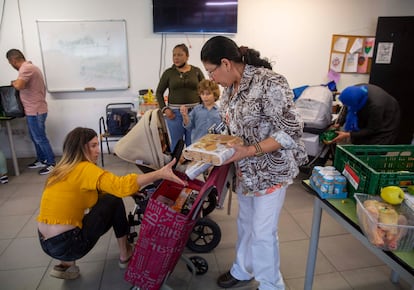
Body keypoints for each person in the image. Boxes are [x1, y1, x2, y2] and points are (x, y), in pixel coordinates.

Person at [200, 36, 308, 290]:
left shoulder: (269, 82)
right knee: (246, 225)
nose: (211, 79)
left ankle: (272, 285)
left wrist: (249, 150)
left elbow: (291, 131)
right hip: (245, 173)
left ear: (225, 63)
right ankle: (243, 269)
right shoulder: (230, 89)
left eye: (211, 71)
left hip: (271, 171)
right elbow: (230, 123)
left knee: (262, 232)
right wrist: (206, 143)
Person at [37, 127, 186, 280]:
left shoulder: (59, 170)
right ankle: (125, 253)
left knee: (90, 204)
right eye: (93, 145)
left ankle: (66, 265)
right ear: (81, 147)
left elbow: (99, 190)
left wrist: (130, 191)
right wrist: (159, 173)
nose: (98, 150)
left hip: (45, 242)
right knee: (113, 200)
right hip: (70, 244)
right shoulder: (85, 169)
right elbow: (119, 187)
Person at [6, 49, 56, 175]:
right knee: (35, 138)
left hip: (36, 111)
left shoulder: (26, 68)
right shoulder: (30, 67)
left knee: (40, 138)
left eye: (10, 62)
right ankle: (41, 159)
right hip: (33, 110)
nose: (11, 65)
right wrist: (16, 82)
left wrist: (14, 82)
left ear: (13, 60)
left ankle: (51, 163)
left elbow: (19, 85)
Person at [155, 43, 205, 150]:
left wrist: (203, 108)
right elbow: (159, 93)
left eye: (180, 55)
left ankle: (192, 166)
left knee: (193, 142)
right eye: (174, 55)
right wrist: (165, 109)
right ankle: (175, 166)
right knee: (176, 144)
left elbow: (205, 89)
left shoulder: (196, 71)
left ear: (187, 56)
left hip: (194, 112)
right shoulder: (168, 73)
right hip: (175, 114)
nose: (176, 58)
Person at [331, 83, 401, 145]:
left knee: (375, 144)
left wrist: (348, 134)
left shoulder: (376, 106)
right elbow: (346, 106)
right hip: (369, 106)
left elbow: (372, 129)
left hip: (388, 115)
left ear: (356, 103)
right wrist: (339, 122)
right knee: (358, 137)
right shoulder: (354, 92)